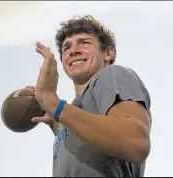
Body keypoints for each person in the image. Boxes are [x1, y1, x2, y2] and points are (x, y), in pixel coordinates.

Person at [26, 15, 151, 177]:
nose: (73, 50)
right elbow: (85, 149)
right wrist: (54, 121)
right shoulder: (69, 112)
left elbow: (136, 143)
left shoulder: (112, 75)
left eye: (84, 42)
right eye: (66, 47)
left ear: (108, 53)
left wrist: (52, 102)